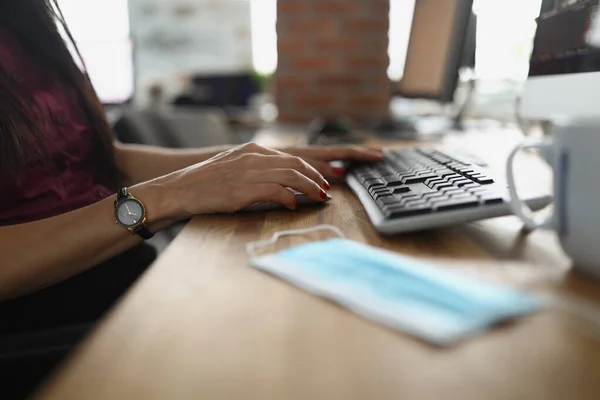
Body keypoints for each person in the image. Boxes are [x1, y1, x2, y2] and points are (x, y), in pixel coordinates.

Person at [0, 1, 382, 328]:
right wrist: (170, 195)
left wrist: (249, 163)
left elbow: (105, 160)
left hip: (129, 276)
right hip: (57, 325)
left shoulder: (27, 18)